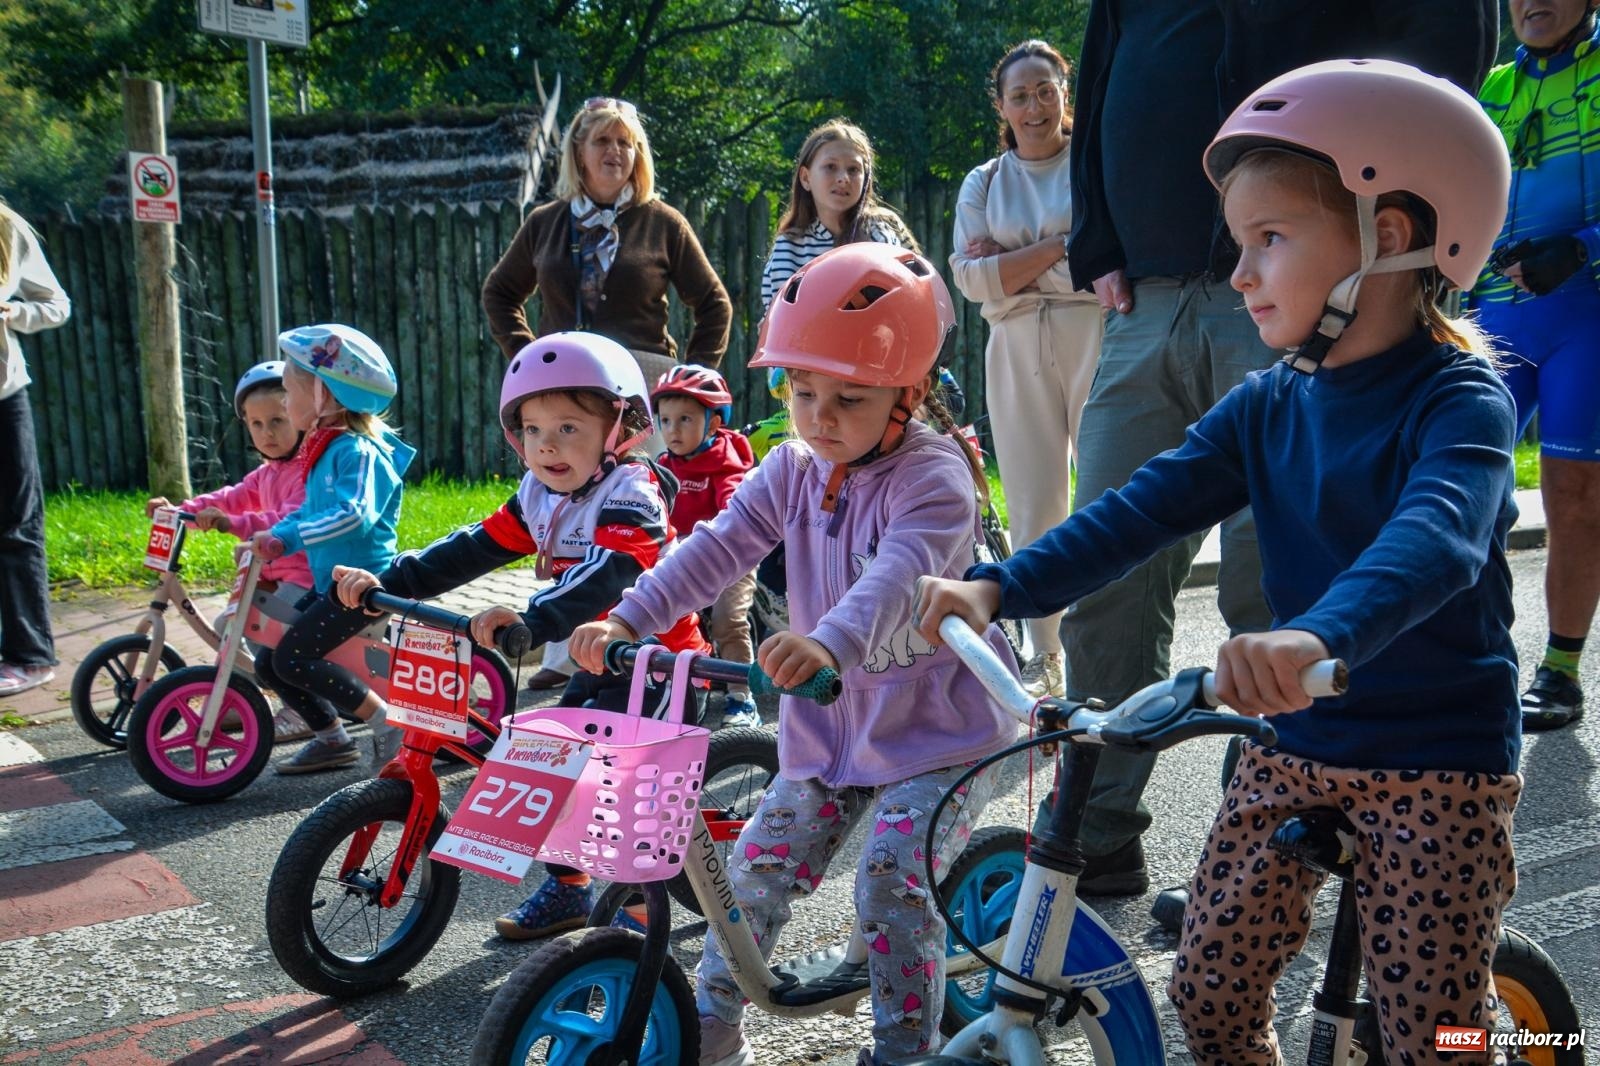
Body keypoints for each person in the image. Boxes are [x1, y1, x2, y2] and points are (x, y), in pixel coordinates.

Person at [918, 60, 1519, 1066]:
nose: (1238, 273)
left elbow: (1439, 533)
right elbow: (1138, 509)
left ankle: (1488, 1047)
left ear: (1394, 234)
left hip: (1439, 758)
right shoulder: (1267, 403)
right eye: (1239, 243)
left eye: (1269, 240)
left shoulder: (1459, 401)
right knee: (1207, 983)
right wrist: (1000, 584)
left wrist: (1319, 629)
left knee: (1432, 1034)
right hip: (1296, 736)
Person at [1059, 0, 1500, 898]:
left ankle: (1264, 841)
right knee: (1110, 566)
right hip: (1144, 288)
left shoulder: (1458, 398)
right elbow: (1103, 72)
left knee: (1272, 590)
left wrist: (1389, 179)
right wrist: (1097, 235)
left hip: (1322, 273)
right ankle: (1097, 828)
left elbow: (1451, 50)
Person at [568, 243, 1018, 1066]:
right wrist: (630, 616)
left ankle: (902, 1052)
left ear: (910, 394)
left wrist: (826, 642)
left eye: (848, 397)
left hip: (942, 734)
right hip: (828, 730)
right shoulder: (792, 466)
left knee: (890, 880)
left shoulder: (936, 478)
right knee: (747, 879)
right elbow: (718, 546)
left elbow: (894, 579)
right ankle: (708, 1031)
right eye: (800, 391)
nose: (818, 417)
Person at [336, 332, 709, 940]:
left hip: (656, 663)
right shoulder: (540, 495)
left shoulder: (634, 493)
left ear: (621, 428)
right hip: (595, 658)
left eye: (568, 427)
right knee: (549, 774)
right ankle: (567, 890)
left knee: (617, 794)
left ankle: (642, 906)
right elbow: (470, 548)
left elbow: (609, 571)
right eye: (532, 430)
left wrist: (534, 620)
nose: (547, 446)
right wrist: (386, 577)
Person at [949, 39, 1102, 698]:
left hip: (1097, 331)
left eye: (1046, 90)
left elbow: (1100, 263)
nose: (1035, 105)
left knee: (1103, 487)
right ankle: (1046, 651)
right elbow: (971, 280)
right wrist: (1059, 247)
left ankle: (1102, 641)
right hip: (1014, 347)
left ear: (1065, 93)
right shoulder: (983, 182)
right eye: (1021, 95)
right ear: (1002, 106)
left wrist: (1013, 261)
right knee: (1036, 499)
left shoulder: (1093, 165)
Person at [1468, 0, 1600, 731]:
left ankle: (1560, 670)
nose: (1532, 2)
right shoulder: (1492, 86)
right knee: (1466, 485)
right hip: (1495, 316)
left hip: (1587, 313)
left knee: (1575, 492)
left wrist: (1580, 245)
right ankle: (1479, 657)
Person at [245, 324, 416, 775]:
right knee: (268, 660)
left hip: (366, 589)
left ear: (324, 395)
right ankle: (331, 740)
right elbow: (306, 512)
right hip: (332, 586)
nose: (284, 400)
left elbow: (353, 513)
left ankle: (386, 723)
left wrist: (290, 538)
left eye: (288, 390)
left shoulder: (358, 451)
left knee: (293, 657)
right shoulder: (325, 452)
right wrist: (275, 535)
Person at [481, 95, 732, 396]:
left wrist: (691, 381)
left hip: (643, 389)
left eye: (625, 143)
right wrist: (528, 354)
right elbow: (499, 293)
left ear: (637, 154)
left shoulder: (665, 223)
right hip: (561, 380)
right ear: (578, 151)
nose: (615, 150)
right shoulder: (544, 223)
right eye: (602, 140)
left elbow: (714, 304)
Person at [145, 362, 316, 742]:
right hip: (270, 574)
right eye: (256, 424)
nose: (267, 432)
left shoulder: (308, 471)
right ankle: (239, 699)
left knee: (265, 633)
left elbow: (284, 518)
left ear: (301, 418)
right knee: (230, 624)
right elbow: (231, 498)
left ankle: (304, 708)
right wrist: (182, 511)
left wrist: (231, 523)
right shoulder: (266, 472)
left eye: (277, 420)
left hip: (306, 577)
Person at [650, 363, 761, 729]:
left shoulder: (727, 466)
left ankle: (742, 698)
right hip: (683, 557)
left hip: (731, 555)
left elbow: (736, 512)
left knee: (729, 620)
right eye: (665, 420)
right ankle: (672, 685)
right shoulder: (664, 465)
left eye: (685, 419)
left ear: (714, 423)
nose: (672, 430)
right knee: (658, 613)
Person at [0, 201, 70, 698]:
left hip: (4, 397)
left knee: (16, 524)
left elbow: (57, 304)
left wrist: (13, 311)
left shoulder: (6, 229)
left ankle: (30, 656)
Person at [759, 118, 918, 308]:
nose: (843, 178)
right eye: (830, 167)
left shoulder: (884, 231)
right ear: (805, 177)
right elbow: (783, 320)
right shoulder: (790, 246)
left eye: (853, 170)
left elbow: (915, 294)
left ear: (866, 178)